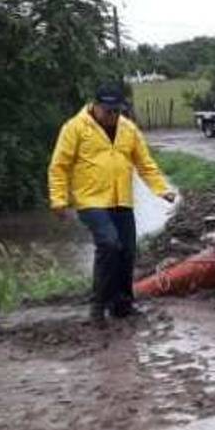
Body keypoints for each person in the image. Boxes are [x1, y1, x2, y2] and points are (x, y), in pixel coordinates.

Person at [48, 83, 175, 322]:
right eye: (108, 111)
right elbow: (59, 166)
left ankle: (122, 305)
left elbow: (144, 163)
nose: (112, 116)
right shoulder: (75, 128)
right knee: (109, 244)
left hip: (121, 199)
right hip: (90, 199)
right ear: (94, 106)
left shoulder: (129, 129)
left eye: (117, 111)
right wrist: (59, 199)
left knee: (127, 250)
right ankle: (98, 304)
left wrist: (162, 189)